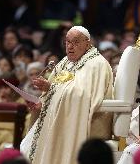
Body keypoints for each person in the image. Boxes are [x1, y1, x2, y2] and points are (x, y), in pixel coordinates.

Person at [20, 26, 113, 164]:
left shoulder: (96, 64)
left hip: (80, 123)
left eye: (75, 42)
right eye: (67, 42)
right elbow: (52, 91)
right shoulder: (65, 62)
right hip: (55, 119)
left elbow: (83, 96)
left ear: (87, 43)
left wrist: (51, 88)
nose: (70, 46)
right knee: (25, 150)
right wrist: (41, 103)